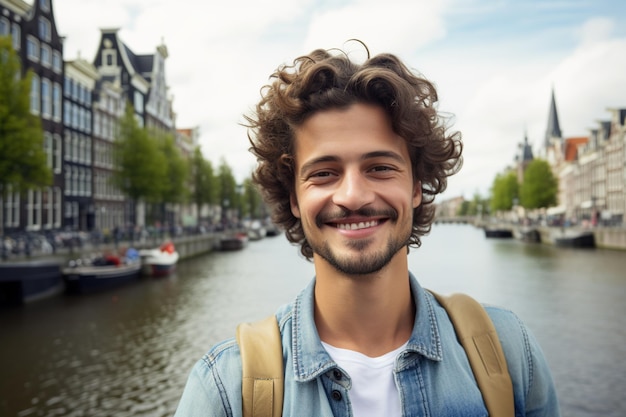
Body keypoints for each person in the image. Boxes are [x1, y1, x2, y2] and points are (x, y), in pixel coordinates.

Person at [173, 42, 560, 417]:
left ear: (415, 188)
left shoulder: (509, 350)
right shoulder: (226, 387)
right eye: (324, 173)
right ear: (294, 197)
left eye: (379, 167)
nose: (353, 196)